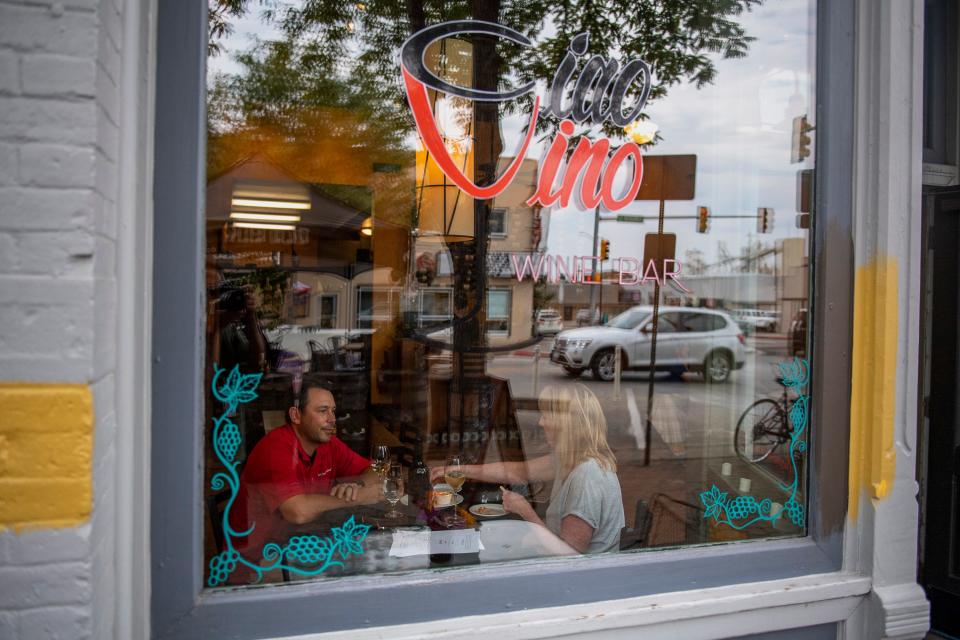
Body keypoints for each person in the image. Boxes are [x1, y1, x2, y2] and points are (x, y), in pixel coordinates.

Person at [431, 384, 624, 553]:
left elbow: (570, 555)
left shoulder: (588, 475)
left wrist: (525, 511)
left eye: (547, 415)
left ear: (567, 424)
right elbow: (518, 471)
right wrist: (460, 470)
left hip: (581, 582)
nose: (540, 422)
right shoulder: (571, 459)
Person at [230, 378, 382, 563]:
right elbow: (297, 512)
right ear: (296, 415)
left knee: (371, 559)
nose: (332, 419)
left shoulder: (328, 444)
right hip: (259, 560)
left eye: (333, 411)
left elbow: (374, 470)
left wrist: (358, 485)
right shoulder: (275, 448)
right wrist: (358, 497)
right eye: (323, 411)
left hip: (303, 543)